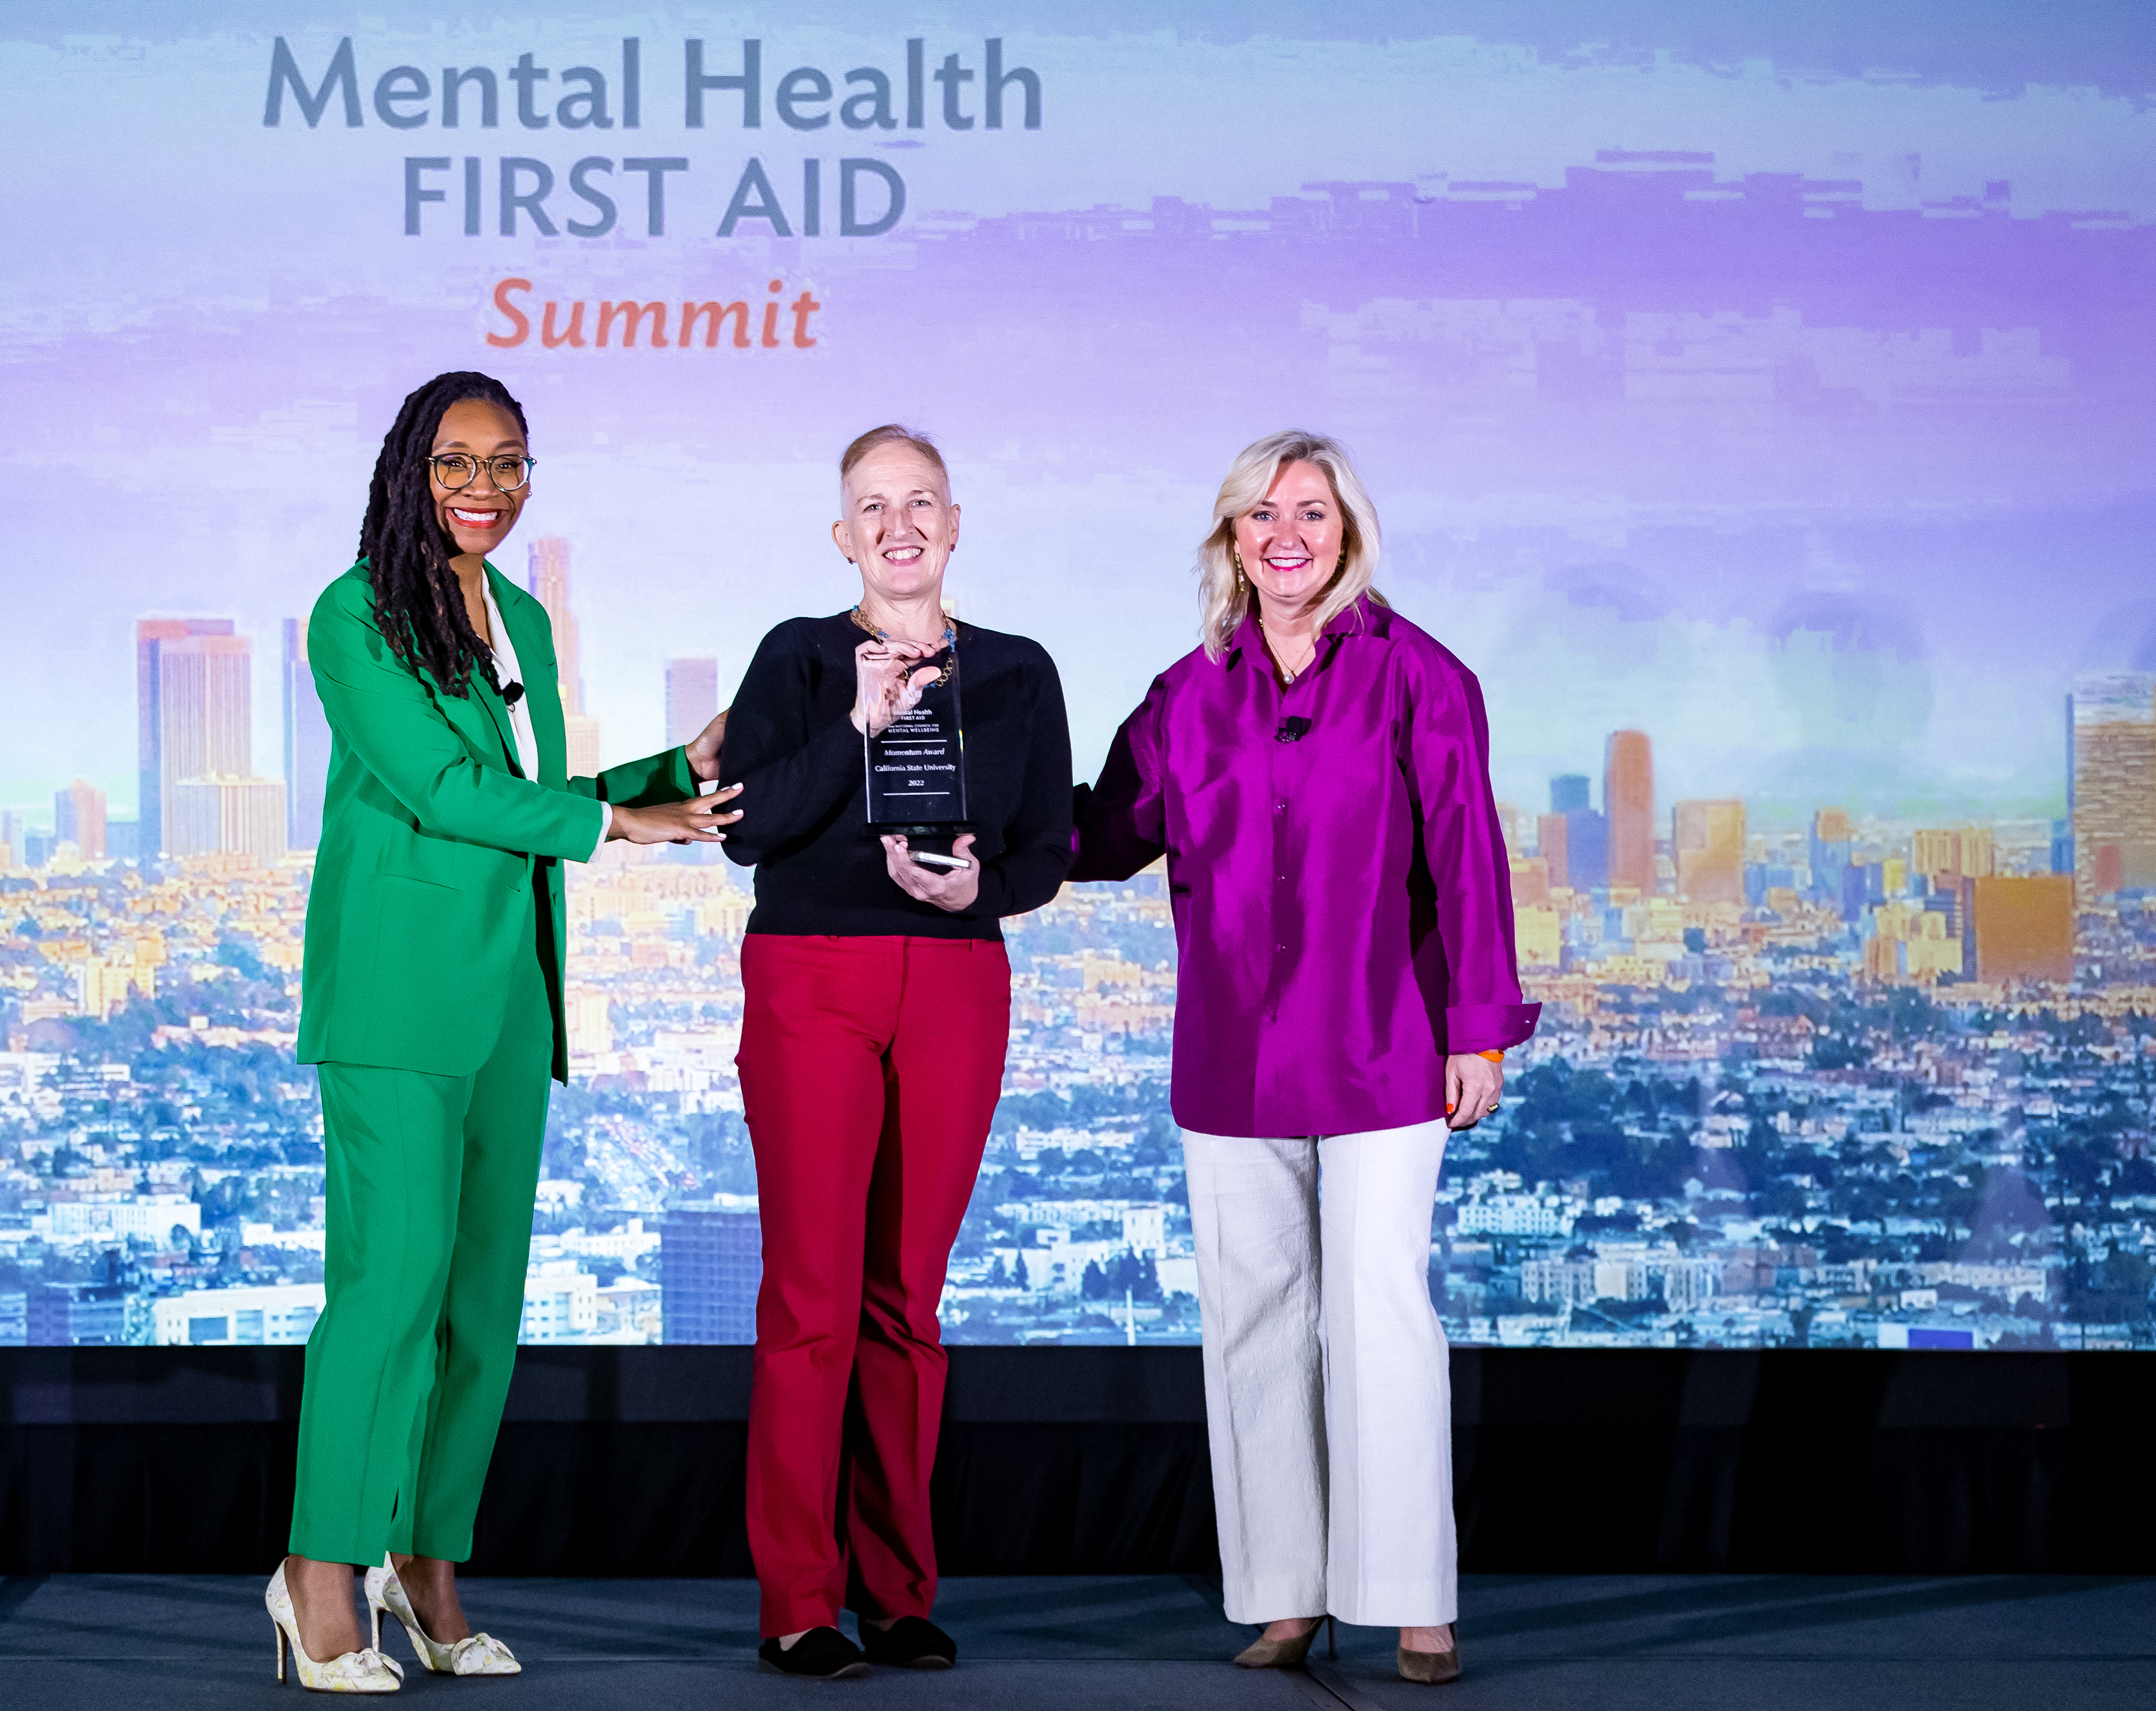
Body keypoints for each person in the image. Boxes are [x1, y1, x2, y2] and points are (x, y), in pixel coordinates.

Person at [264, 371, 744, 1691]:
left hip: (508, 994)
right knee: (391, 1284)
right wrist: (612, 827)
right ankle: (318, 1568)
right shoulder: (352, 612)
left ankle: (424, 1561)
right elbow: (432, 784)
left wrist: (672, 774)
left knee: (477, 1307)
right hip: (393, 995)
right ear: (405, 469)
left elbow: (524, 793)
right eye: (455, 461)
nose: (484, 486)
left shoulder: (520, 614)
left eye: (509, 462)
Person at [1070, 430, 1538, 1688]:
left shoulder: (1417, 676)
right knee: (1252, 1323)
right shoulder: (1185, 691)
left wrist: (1477, 1025)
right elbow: (1106, 826)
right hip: (1230, 1052)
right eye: (1260, 513)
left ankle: (1409, 1600)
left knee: (1378, 1311)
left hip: (1385, 1040)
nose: (1285, 533)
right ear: (1229, 536)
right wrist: (971, 820)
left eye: (1311, 512)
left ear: (1347, 533)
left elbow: (1467, 858)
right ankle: (1282, 1592)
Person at [719, 425, 1073, 1680]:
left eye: (918, 499)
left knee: (904, 1301)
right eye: (871, 505)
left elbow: (1047, 844)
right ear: (841, 533)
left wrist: (983, 880)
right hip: (813, 970)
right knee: (811, 1294)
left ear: (955, 519)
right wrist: (859, 720)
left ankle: (897, 1590)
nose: (897, 522)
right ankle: (798, 1602)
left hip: (957, 979)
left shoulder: (1019, 672)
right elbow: (745, 826)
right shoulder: (799, 657)